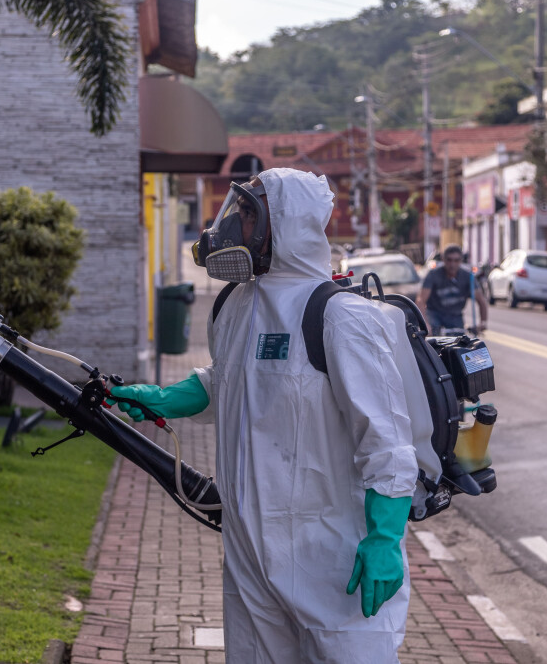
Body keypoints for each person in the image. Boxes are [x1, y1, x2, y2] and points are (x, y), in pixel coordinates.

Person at [110, 168, 421, 662]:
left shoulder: (340, 317)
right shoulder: (234, 305)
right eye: (238, 210)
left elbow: (386, 441)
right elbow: (227, 380)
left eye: (250, 213)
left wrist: (384, 538)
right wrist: (165, 398)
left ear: (290, 223)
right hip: (251, 554)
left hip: (332, 559)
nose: (234, 225)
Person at [416, 244, 488, 335]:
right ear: (443, 259)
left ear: (461, 260)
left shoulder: (468, 277)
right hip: (435, 314)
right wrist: (425, 324)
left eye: (456, 260)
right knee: (432, 340)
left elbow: (481, 301)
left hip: (455, 316)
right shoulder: (433, 275)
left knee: (460, 343)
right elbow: (421, 300)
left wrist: (483, 323)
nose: (452, 264)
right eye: (449, 260)